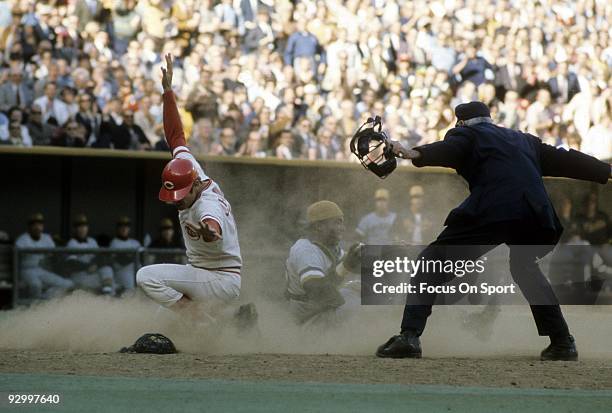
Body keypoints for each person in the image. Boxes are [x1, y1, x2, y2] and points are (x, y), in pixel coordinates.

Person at [375, 101, 611, 361]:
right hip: (536, 214)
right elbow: (567, 159)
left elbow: (448, 149)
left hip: (493, 209)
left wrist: (410, 152)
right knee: (524, 266)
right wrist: (607, 171)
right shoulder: (523, 140)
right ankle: (563, 342)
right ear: (489, 119)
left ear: (461, 123)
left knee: (430, 262)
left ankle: (409, 336)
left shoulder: (464, 134)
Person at [136, 54, 255, 326]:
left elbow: (213, 226)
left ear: (192, 187)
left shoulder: (207, 205)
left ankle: (205, 321)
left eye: (179, 197)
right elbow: (175, 134)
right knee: (163, 321)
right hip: (208, 274)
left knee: (146, 277)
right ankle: (234, 324)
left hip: (219, 278)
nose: (175, 203)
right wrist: (168, 92)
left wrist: (209, 232)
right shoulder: (189, 168)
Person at [285, 200, 361, 325]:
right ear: (319, 226)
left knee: (365, 288)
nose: (343, 228)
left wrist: (392, 253)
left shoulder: (329, 246)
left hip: (322, 311)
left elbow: (357, 265)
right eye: (338, 222)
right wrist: (345, 266)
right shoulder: (305, 250)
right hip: (308, 319)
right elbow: (319, 294)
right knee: (366, 306)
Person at [15, 213, 74, 299]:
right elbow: (18, 255)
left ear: (42, 226)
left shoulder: (46, 238)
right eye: (34, 224)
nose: (37, 227)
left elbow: (54, 253)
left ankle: (44, 300)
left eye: (39, 224)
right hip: (26, 270)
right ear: (29, 227)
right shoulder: (23, 239)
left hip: (41, 270)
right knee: (36, 285)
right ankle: (35, 307)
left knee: (68, 284)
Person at [66, 214, 114, 295]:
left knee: (107, 269)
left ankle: (107, 295)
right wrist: (87, 266)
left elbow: (99, 257)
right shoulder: (72, 243)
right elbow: (72, 263)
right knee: (109, 285)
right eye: (79, 226)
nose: (82, 229)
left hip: (92, 272)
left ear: (87, 228)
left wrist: (95, 264)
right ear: (75, 229)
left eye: (84, 226)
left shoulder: (92, 241)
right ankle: (108, 295)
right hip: (79, 275)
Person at [110, 216, 141, 294]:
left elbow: (144, 258)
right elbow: (122, 260)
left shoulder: (135, 243)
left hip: (137, 275)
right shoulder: (114, 243)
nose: (124, 228)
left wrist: (132, 256)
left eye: (126, 226)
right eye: (121, 226)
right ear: (118, 228)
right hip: (121, 274)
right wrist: (134, 256)